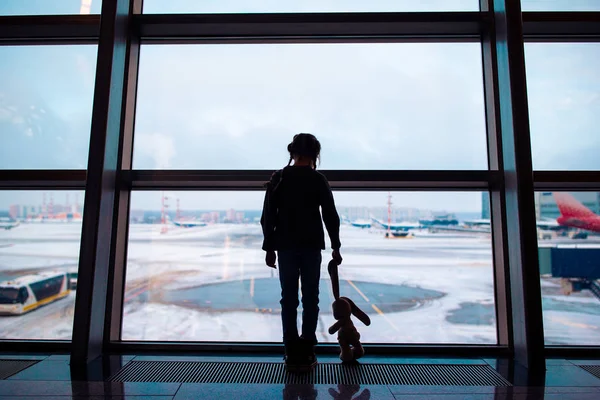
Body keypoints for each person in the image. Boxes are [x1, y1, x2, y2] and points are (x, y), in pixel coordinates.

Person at [261, 133, 342, 371]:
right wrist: (336, 245)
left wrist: (269, 248)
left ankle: (290, 349)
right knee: (311, 298)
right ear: (315, 154)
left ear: (292, 153)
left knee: (288, 299)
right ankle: (307, 349)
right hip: (311, 245)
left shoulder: (279, 178)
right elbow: (330, 214)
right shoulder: (318, 179)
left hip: (285, 245)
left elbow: (268, 217)